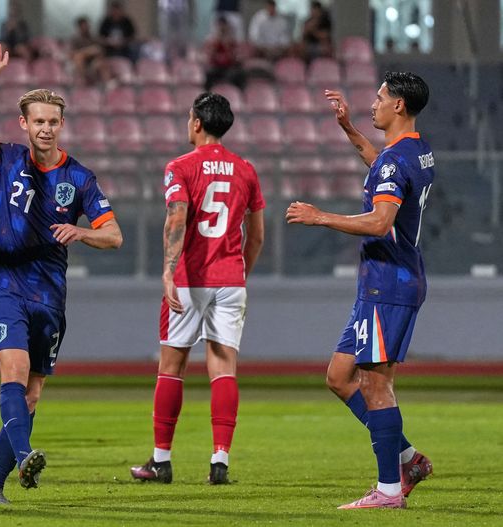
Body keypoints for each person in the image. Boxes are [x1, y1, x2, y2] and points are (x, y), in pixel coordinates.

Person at [0, 42, 123, 504]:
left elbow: (114, 236)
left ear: (61, 125)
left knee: (30, 396)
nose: (45, 128)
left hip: (50, 294)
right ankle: (26, 453)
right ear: (24, 124)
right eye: (38, 121)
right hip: (4, 283)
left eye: (53, 121)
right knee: (14, 370)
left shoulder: (80, 179)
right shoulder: (6, 158)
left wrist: (81, 232)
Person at [286, 72, 435, 509]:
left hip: (389, 283)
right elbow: (383, 170)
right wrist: (350, 129)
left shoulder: (396, 160)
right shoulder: (416, 151)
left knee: (374, 382)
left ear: (399, 107)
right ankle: (407, 457)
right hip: (382, 282)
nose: (374, 104)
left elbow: (380, 221)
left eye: (380, 97)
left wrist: (320, 217)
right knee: (338, 376)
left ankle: (389, 490)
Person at [130, 93, 265, 485]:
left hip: (190, 278)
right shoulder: (246, 170)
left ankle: (161, 461)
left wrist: (169, 272)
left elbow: (177, 218)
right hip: (230, 279)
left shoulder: (180, 167)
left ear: (196, 123)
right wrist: (239, 274)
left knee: (172, 367)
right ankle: (220, 461)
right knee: (223, 368)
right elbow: (255, 237)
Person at [204, 15, 245, 90]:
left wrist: (226, 44)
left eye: (223, 26)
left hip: (228, 67)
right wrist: (218, 40)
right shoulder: (212, 39)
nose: (222, 28)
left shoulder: (231, 40)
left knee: (238, 74)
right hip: (216, 67)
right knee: (208, 74)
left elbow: (234, 57)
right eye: (220, 26)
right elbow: (210, 56)